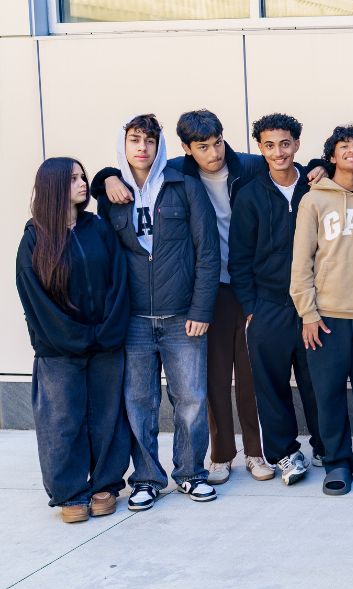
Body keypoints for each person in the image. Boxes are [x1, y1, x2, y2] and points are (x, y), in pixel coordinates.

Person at [95, 109, 325, 484]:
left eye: (217, 142)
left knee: (250, 375)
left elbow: (290, 165)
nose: (214, 153)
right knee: (214, 378)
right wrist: (104, 179)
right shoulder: (176, 174)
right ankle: (220, 455)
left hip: (251, 286)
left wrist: (319, 165)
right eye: (203, 147)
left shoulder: (248, 166)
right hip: (207, 288)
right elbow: (129, 174)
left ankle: (256, 452)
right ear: (187, 148)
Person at [94, 114, 221, 510]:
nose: (142, 147)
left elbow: (208, 252)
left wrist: (201, 308)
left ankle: (190, 473)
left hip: (182, 316)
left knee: (191, 399)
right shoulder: (110, 195)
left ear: (160, 145)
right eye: (135, 140)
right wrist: (105, 179)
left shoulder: (184, 185)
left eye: (150, 140)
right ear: (124, 144)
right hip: (132, 319)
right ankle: (147, 478)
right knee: (139, 402)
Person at [16, 158, 129, 523]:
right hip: (60, 350)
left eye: (83, 177)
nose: (83, 184)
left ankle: (105, 485)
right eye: (74, 179)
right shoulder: (34, 239)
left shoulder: (97, 228)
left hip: (106, 345)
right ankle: (69, 492)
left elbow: (118, 280)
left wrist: (106, 331)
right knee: (62, 421)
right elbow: (36, 303)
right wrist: (77, 336)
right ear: (53, 187)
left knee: (107, 417)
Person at [291, 125, 353, 496]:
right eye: (344, 146)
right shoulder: (313, 200)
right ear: (332, 156)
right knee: (329, 394)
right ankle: (336, 463)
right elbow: (301, 262)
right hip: (327, 316)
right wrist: (308, 313)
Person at [228, 113, 327, 486]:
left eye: (285, 143)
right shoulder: (251, 194)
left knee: (318, 379)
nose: (278, 152)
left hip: (314, 304)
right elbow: (238, 258)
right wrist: (251, 308)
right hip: (268, 305)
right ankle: (285, 454)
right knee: (271, 386)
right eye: (269, 145)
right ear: (260, 148)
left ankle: (325, 446)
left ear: (297, 144)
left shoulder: (317, 187)